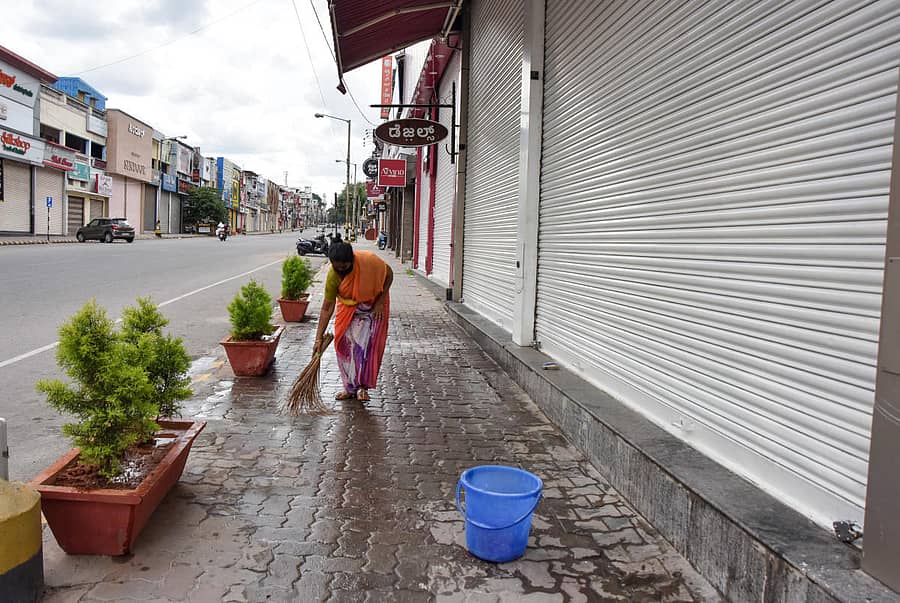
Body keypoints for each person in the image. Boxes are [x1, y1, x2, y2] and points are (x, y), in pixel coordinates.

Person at [313, 242, 393, 402]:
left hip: (371, 308)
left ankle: (362, 388)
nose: (341, 272)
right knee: (343, 346)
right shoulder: (332, 276)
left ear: (353, 261)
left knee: (364, 347)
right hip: (347, 310)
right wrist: (318, 337)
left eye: (345, 268)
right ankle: (349, 387)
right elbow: (327, 307)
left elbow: (389, 275)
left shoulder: (368, 261)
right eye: (337, 268)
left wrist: (379, 303)